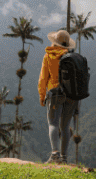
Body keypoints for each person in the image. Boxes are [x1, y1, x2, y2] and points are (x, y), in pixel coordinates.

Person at [38, 30, 78, 164]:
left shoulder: (49, 56)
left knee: (53, 124)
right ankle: (64, 157)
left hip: (54, 94)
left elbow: (43, 79)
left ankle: (55, 154)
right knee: (65, 126)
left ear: (55, 42)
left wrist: (42, 96)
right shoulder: (72, 57)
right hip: (71, 95)